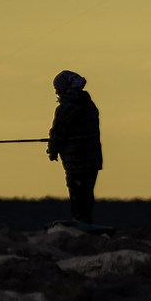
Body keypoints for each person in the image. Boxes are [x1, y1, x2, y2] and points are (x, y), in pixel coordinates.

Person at [47, 69, 103, 223]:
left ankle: (79, 224)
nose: (56, 92)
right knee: (87, 195)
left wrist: (52, 150)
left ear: (64, 88)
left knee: (77, 196)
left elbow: (58, 132)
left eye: (57, 88)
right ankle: (86, 222)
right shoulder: (89, 104)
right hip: (93, 161)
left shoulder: (66, 107)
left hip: (76, 162)